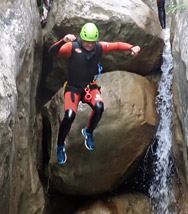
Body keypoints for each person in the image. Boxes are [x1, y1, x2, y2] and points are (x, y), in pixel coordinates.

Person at [47, 23, 141, 164]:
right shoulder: (73, 47)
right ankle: (60, 146)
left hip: (90, 87)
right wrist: (63, 40)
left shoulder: (99, 47)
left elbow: (116, 45)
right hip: (73, 88)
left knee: (99, 107)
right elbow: (52, 52)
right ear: (82, 38)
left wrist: (131, 47)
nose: (89, 45)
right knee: (69, 116)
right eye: (86, 42)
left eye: (92, 42)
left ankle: (88, 132)